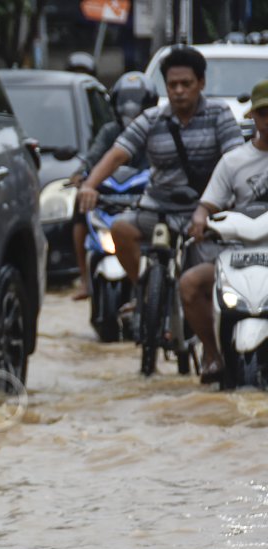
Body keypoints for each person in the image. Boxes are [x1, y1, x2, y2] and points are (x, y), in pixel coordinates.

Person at [77, 46, 242, 297]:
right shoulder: (152, 119)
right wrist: (89, 185)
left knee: (203, 285)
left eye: (185, 84)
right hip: (157, 208)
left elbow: (234, 162)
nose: (178, 91)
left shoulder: (219, 114)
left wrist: (210, 208)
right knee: (120, 229)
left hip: (206, 212)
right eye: (172, 84)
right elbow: (117, 154)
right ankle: (144, 296)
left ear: (201, 82)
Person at [182, 78, 268, 383]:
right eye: (264, 113)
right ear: (253, 118)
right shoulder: (233, 161)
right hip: (237, 255)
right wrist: (199, 221)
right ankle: (214, 355)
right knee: (190, 284)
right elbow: (207, 205)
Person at [69, 71, 156, 300]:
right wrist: (82, 179)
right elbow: (94, 158)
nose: (130, 108)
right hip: (110, 195)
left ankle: (157, 287)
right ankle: (85, 278)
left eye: (136, 102)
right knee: (80, 212)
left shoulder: (158, 130)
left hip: (144, 199)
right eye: (124, 101)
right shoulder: (110, 132)